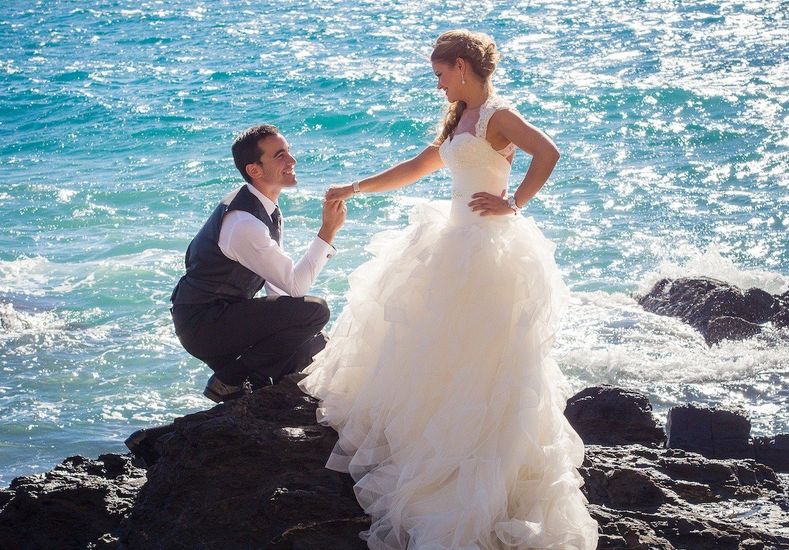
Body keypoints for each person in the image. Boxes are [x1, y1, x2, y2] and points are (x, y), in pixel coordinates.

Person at [300, 30, 599, 548]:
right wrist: (354, 187)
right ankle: (430, 450)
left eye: (440, 74)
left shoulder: (497, 115)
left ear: (461, 66)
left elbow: (547, 153)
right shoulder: (460, 117)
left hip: (486, 250)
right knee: (434, 355)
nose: (437, 85)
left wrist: (515, 203)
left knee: (485, 365)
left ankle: (479, 468)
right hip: (452, 241)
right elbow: (420, 166)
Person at [170, 124, 346, 402]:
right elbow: (296, 287)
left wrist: (303, 331)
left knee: (313, 347)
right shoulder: (244, 223)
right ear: (255, 170)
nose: (292, 161)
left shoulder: (263, 207)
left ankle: (252, 381)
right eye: (280, 156)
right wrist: (327, 232)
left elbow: (278, 287)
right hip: (205, 325)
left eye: (289, 152)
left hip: (226, 316)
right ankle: (229, 380)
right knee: (316, 311)